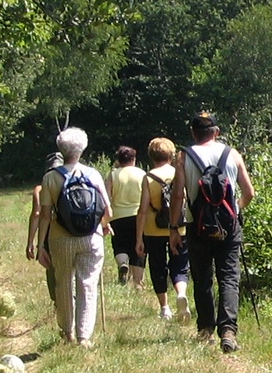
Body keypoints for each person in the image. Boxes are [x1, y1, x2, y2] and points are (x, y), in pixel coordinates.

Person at [170, 111, 254, 352]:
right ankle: (228, 331)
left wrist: (174, 228)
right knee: (229, 277)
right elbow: (249, 193)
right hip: (229, 227)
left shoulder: (184, 156)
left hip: (197, 226)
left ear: (193, 133)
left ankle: (206, 328)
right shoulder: (232, 154)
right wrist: (234, 209)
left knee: (202, 277)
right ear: (216, 132)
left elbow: (177, 195)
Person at [37, 127, 112, 347]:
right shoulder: (93, 174)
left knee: (63, 283)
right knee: (87, 283)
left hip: (60, 238)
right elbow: (108, 211)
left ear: (61, 149)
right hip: (91, 237)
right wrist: (103, 226)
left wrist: (40, 245)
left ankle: (67, 332)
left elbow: (45, 215)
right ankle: (84, 336)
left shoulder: (50, 178)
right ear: (83, 148)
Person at [134, 137, 191, 321]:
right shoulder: (179, 173)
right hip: (179, 227)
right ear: (171, 155)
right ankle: (181, 293)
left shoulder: (149, 177)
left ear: (151, 155)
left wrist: (139, 238)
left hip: (153, 229)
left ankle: (165, 307)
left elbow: (143, 210)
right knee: (180, 264)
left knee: (157, 266)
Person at [26, 151, 64, 308]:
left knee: (51, 267)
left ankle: (57, 302)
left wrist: (31, 242)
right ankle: (71, 298)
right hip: (68, 230)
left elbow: (37, 214)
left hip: (48, 233)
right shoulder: (70, 183)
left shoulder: (40, 189)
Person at [106, 145, 146, 287]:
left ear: (119, 160)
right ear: (134, 159)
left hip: (117, 217)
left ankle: (123, 263)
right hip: (138, 215)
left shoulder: (113, 175)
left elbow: (106, 197)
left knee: (120, 244)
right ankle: (138, 282)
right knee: (138, 246)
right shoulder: (142, 174)